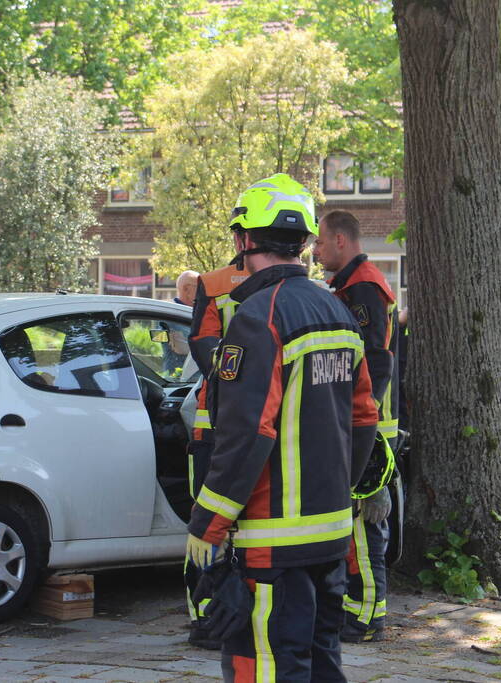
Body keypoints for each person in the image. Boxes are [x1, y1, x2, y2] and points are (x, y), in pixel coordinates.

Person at [186, 173, 378, 682]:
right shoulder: (338, 312)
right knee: (320, 663)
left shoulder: (257, 316)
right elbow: (364, 417)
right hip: (331, 533)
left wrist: (208, 522)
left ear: (244, 240)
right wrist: (342, 491)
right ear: (305, 241)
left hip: (273, 541)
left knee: (268, 667)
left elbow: (249, 432)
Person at [312, 209, 398, 643]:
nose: (314, 251)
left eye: (321, 243)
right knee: (357, 527)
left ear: (342, 240)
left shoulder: (363, 288)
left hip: (368, 429)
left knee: (364, 528)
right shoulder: (351, 286)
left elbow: (374, 361)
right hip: (361, 423)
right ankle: (358, 611)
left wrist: (360, 421)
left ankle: (366, 618)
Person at [183, 261, 248, 649]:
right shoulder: (292, 289)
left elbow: (204, 350)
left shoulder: (214, 285)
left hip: (214, 427)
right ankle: (222, 618)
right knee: (236, 527)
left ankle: (207, 618)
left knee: (208, 523)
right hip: (256, 426)